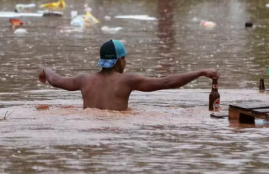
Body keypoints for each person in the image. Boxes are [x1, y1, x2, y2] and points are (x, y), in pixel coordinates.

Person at [38, 40, 219, 111]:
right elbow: (167, 82)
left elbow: (55, 80)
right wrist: (201, 72)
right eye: (124, 59)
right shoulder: (128, 80)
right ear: (120, 60)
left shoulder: (84, 79)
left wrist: (45, 69)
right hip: (118, 129)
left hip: (89, 127)